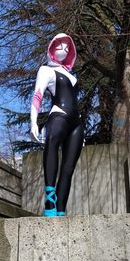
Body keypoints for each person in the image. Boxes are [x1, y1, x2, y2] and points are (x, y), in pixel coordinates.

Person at [30, 33, 84, 217]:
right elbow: (38, 95)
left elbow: (74, 100)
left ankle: (61, 208)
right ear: (52, 48)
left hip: (76, 123)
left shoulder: (72, 76)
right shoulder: (46, 70)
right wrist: (33, 122)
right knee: (51, 144)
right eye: (60, 46)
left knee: (69, 167)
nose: (65, 49)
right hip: (58, 115)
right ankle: (50, 199)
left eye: (68, 47)